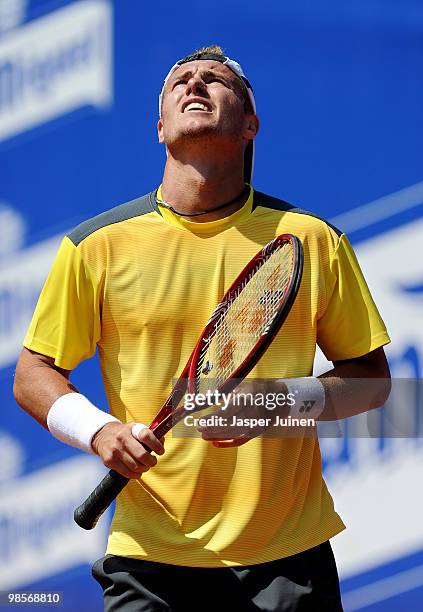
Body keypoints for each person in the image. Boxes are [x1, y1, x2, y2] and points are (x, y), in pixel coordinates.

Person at [14, 45, 391, 611]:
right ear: (159, 127)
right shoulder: (95, 246)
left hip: (286, 558)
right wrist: (98, 431)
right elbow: (32, 375)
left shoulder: (313, 240)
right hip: (147, 558)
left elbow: (372, 381)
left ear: (249, 125)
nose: (195, 85)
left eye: (216, 81)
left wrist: (276, 405)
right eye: (180, 81)